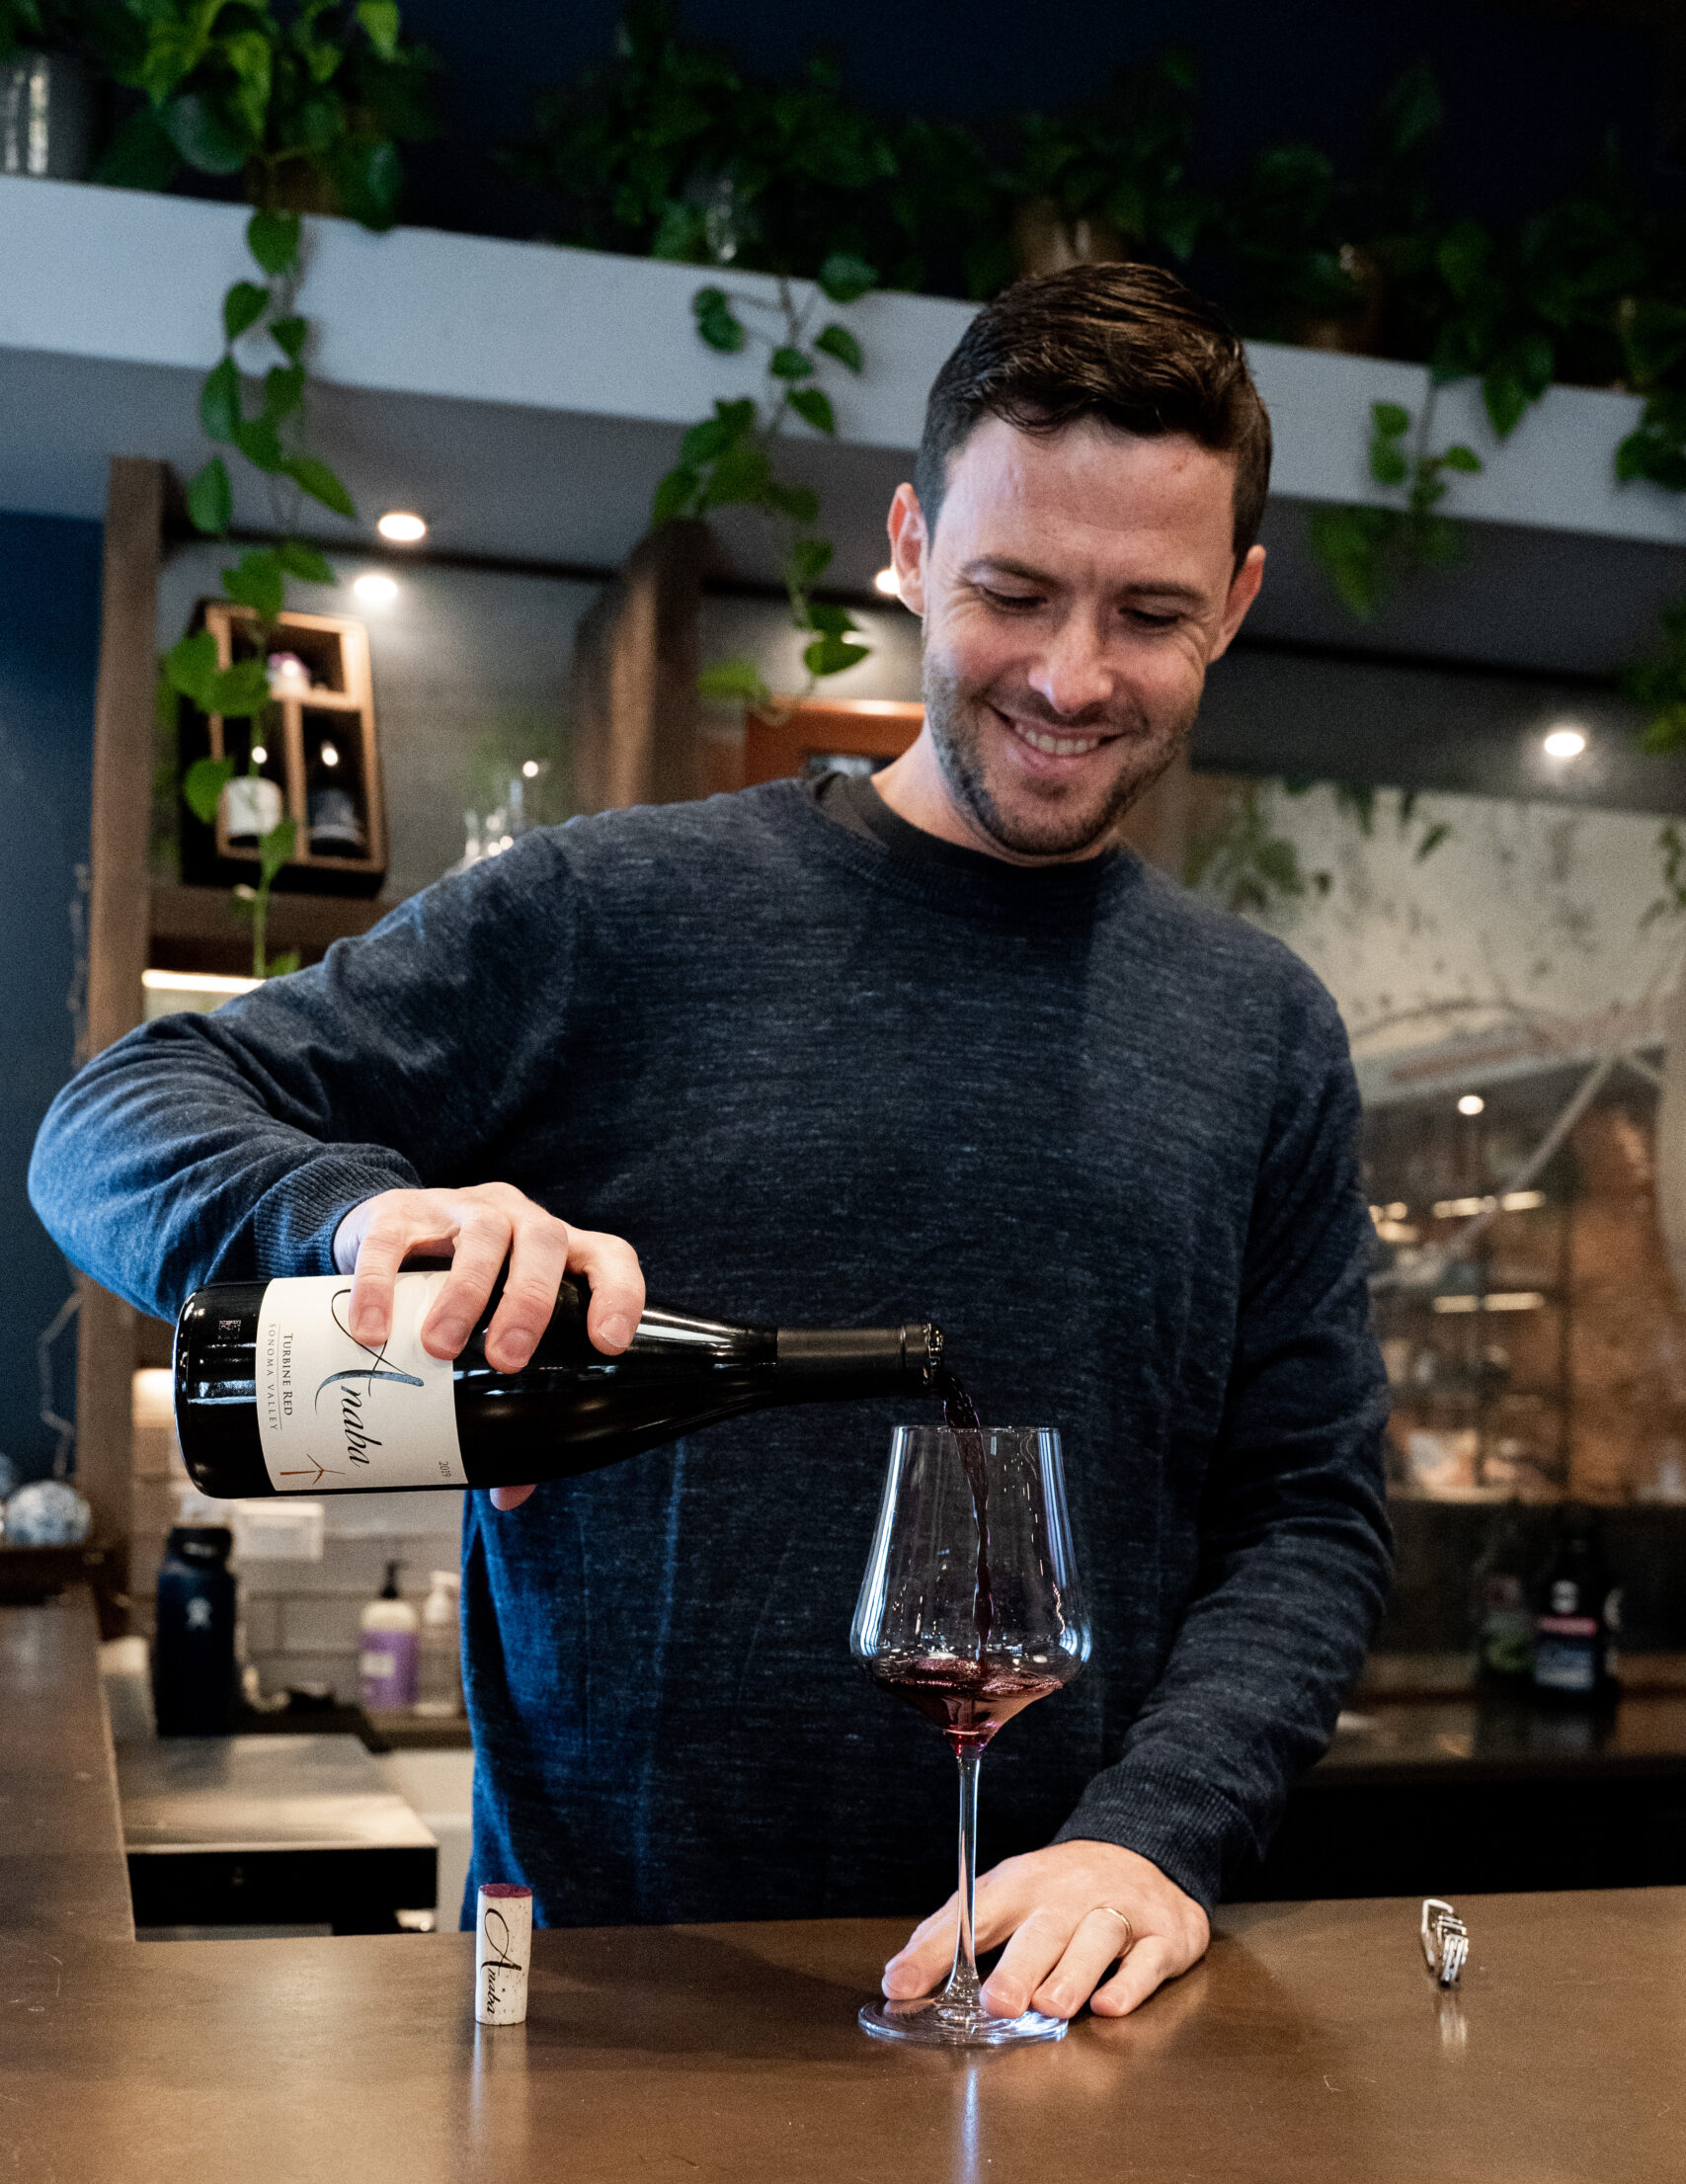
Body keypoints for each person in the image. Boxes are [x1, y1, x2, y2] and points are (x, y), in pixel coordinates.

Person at [31, 264, 1391, 2022]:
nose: (1072, 672)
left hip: (1051, 2016)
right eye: (1011, 591)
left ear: (1240, 599)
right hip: (604, 2006)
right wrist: (354, 1221)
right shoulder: (620, 912)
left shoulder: (1259, 1026)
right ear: (908, 543)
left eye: (1148, 611)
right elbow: (108, 1124)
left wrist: (1160, 1835)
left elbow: (1307, 1516)